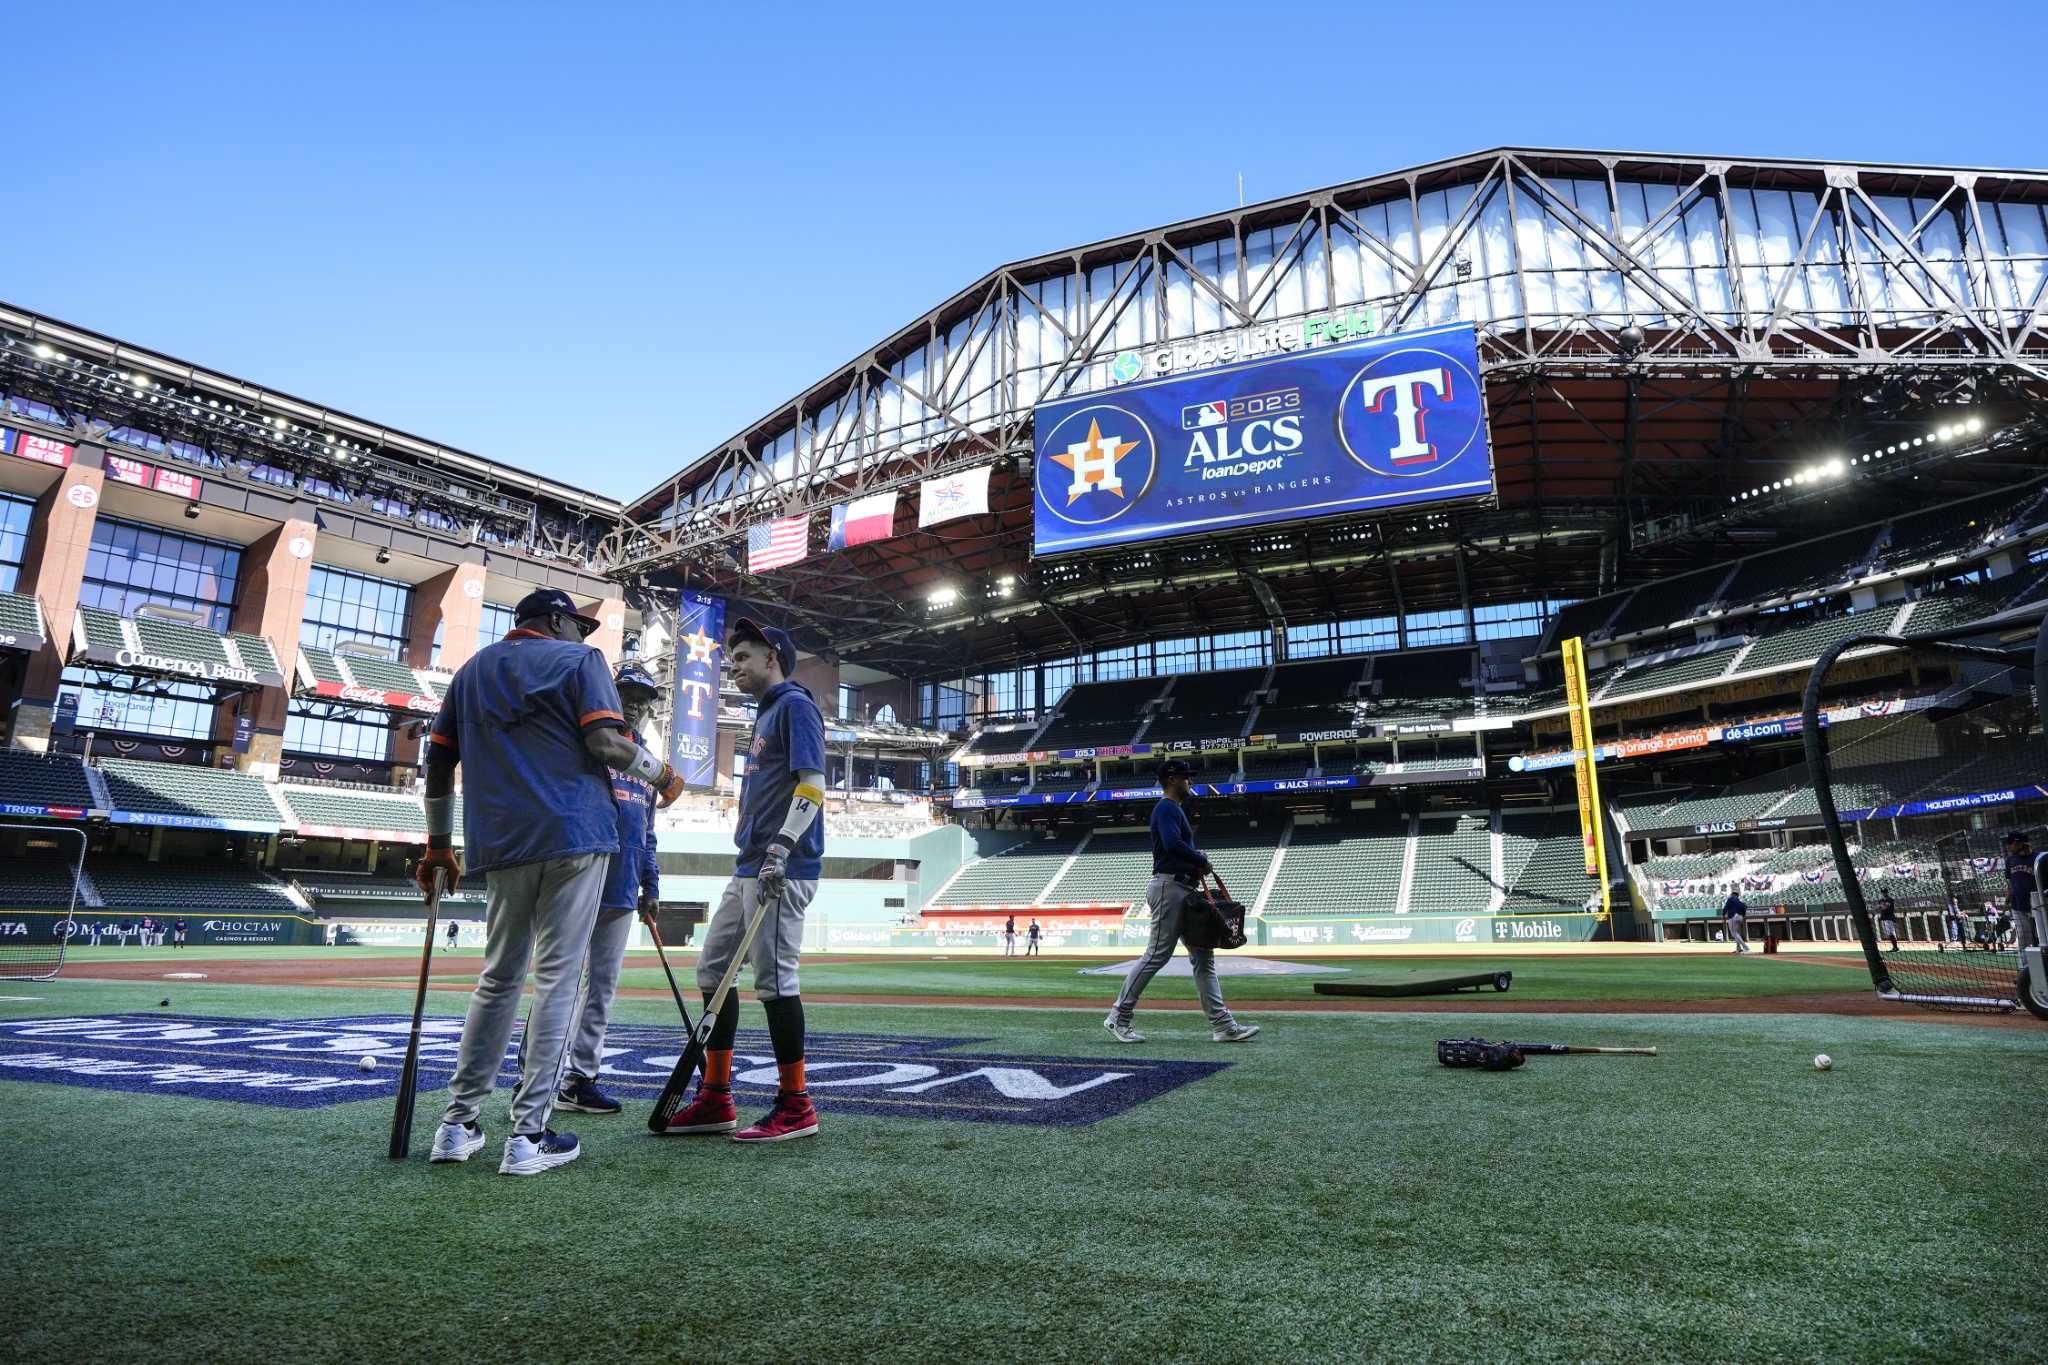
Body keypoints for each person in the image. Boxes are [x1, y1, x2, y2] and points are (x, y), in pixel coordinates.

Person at [419, 588, 684, 1177]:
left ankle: (456, 1126)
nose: (585, 637)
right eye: (579, 626)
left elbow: (437, 762)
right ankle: (528, 1135)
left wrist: (438, 844)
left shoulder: (473, 669)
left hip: (502, 841)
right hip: (575, 833)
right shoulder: (580, 662)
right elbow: (606, 743)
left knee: (498, 977)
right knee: (560, 979)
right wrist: (662, 773)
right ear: (557, 620)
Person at [662, 617, 826, 1143]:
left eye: (742, 658)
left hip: (781, 866)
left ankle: (797, 1105)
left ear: (772, 656)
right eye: (731, 659)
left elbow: (814, 785)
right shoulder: (766, 714)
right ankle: (715, 1097)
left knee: (776, 981)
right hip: (748, 866)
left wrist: (782, 846)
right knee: (713, 973)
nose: (733, 667)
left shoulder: (796, 707)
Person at [557, 661, 666, 1117]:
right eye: (628, 693)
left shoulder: (647, 763)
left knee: (601, 987)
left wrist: (651, 884)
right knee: (558, 982)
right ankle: (535, 1076)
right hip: (581, 876)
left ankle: (580, 1078)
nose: (637, 705)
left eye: (644, 699)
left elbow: (648, 831)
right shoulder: (590, 742)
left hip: (623, 886)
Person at [1104, 759, 1258, 1045]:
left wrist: (1195, 866)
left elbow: (1176, 846)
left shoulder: (1173, 809)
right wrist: (1200, 861)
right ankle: (1118, 1016)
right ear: (1173, 779)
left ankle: (1223, 1026)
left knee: (1203, 957)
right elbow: (1172, 843)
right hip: (1169, 886)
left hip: (1181, 887)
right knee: (1157, 954)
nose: (1190, 782)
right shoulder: (1165, 808)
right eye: (1186, 777)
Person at [2005, 830, 2038, 953]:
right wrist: (2008, 896)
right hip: (2017, 905)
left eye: (2010, 843)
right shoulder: (2010, 860)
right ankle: (2024, 968)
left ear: (2019, 843)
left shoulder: (2038, 858)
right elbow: (2010, 881)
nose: (2009, 846)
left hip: (2037, 905)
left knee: (2041, 937)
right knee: (2024, 938)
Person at [1877, 889, 1901, 953]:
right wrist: (1882, 906)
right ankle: (1894, 947)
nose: (1883, 893)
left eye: (1884, 892)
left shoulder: (1890, 899)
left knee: (1891, 933)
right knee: (1888, 933)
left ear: (1887, 892)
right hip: (1884, 918)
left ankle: (1895, 948)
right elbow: (1879, 907)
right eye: (1882, 892)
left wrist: (1881, 906)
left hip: (1889, 918)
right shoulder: (1881, 900)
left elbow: (1884, 907)